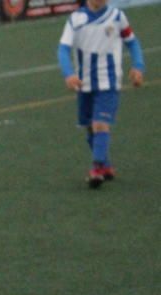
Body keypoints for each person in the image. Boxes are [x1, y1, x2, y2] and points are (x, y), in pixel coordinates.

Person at [57, 0, 145, 188]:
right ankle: (105, 165)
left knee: (100, 124)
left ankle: (96, 169)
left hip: (109, 82)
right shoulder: (75, 19)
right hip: (84, 84)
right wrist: (69, 73)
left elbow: (132, 42)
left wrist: (138, 65)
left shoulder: (117, 16)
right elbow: (63, 49)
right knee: (89, 126)